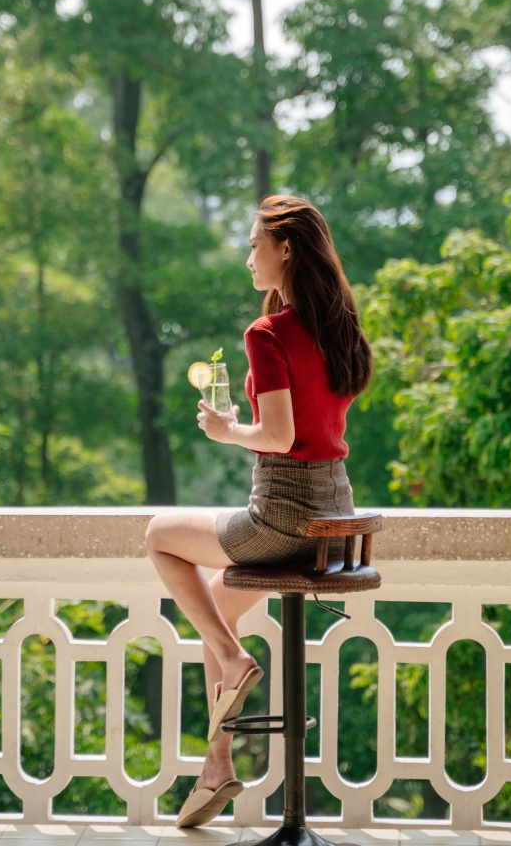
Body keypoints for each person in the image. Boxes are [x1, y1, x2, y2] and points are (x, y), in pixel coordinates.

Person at [145, 195, 373, 828]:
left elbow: (276, 436)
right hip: (334, 513)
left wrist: (225, 430)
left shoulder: (266, 333)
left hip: (282, 515)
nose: (248, 257)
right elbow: (315, 428)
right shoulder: (338, 327)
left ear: (286, 250)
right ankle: (216, 766)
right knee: (211, 614)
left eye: (255, 246)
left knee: (159, 535)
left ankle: (238, 659)